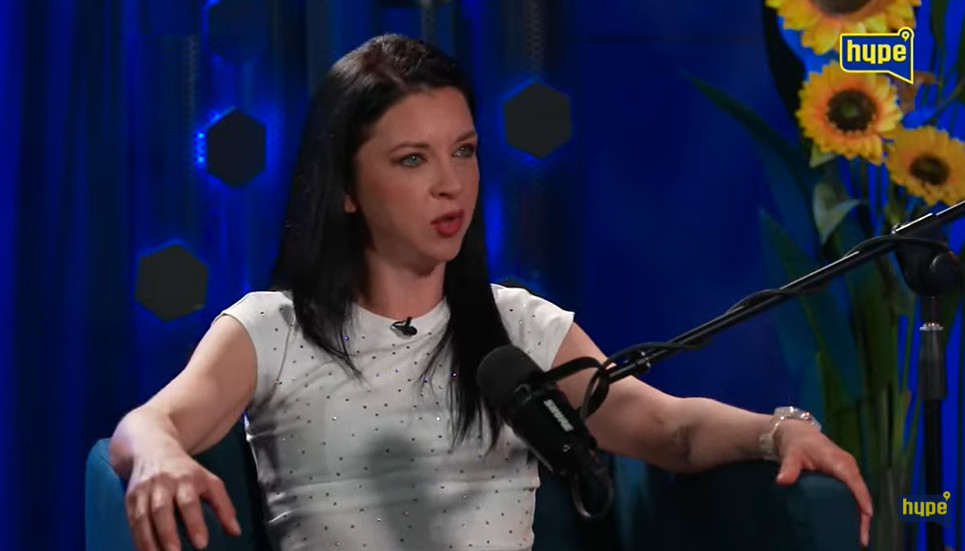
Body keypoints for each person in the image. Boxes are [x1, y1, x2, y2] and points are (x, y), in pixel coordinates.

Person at [109, 33, 873, 551]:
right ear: (344, 187)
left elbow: (665, 428)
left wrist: (779, 429)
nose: (451, 184)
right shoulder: (270, 328)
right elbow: (145, 424)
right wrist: (158, 455)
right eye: (412, 160)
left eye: (465, 151)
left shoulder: (516, 326)